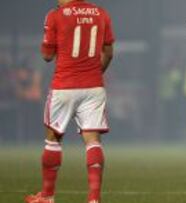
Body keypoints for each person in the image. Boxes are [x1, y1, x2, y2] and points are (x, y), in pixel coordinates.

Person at [25, 0, 114, 203]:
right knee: (93, 142)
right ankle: (94, 199)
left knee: (53, 140)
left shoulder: (55, 15)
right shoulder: (101, 13)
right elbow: (108, 53)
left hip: (64, 86)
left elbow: (47, 56)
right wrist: (94, 73)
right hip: (93, 86)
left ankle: (47, 196)